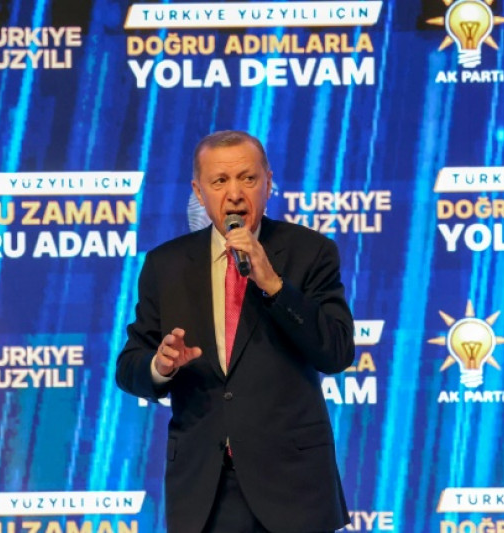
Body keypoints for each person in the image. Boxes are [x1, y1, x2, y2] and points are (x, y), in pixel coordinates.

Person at [116, 130, 354, 533]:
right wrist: (160, 366)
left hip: (293, 485)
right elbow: (129, 367)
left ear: (268, 182)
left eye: (248, 178)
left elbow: (336, 352)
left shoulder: (311, 252)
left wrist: (274, 285)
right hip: (205, 489)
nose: (235, 194)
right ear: (199, 191)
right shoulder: (165, 265)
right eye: (220, 181)